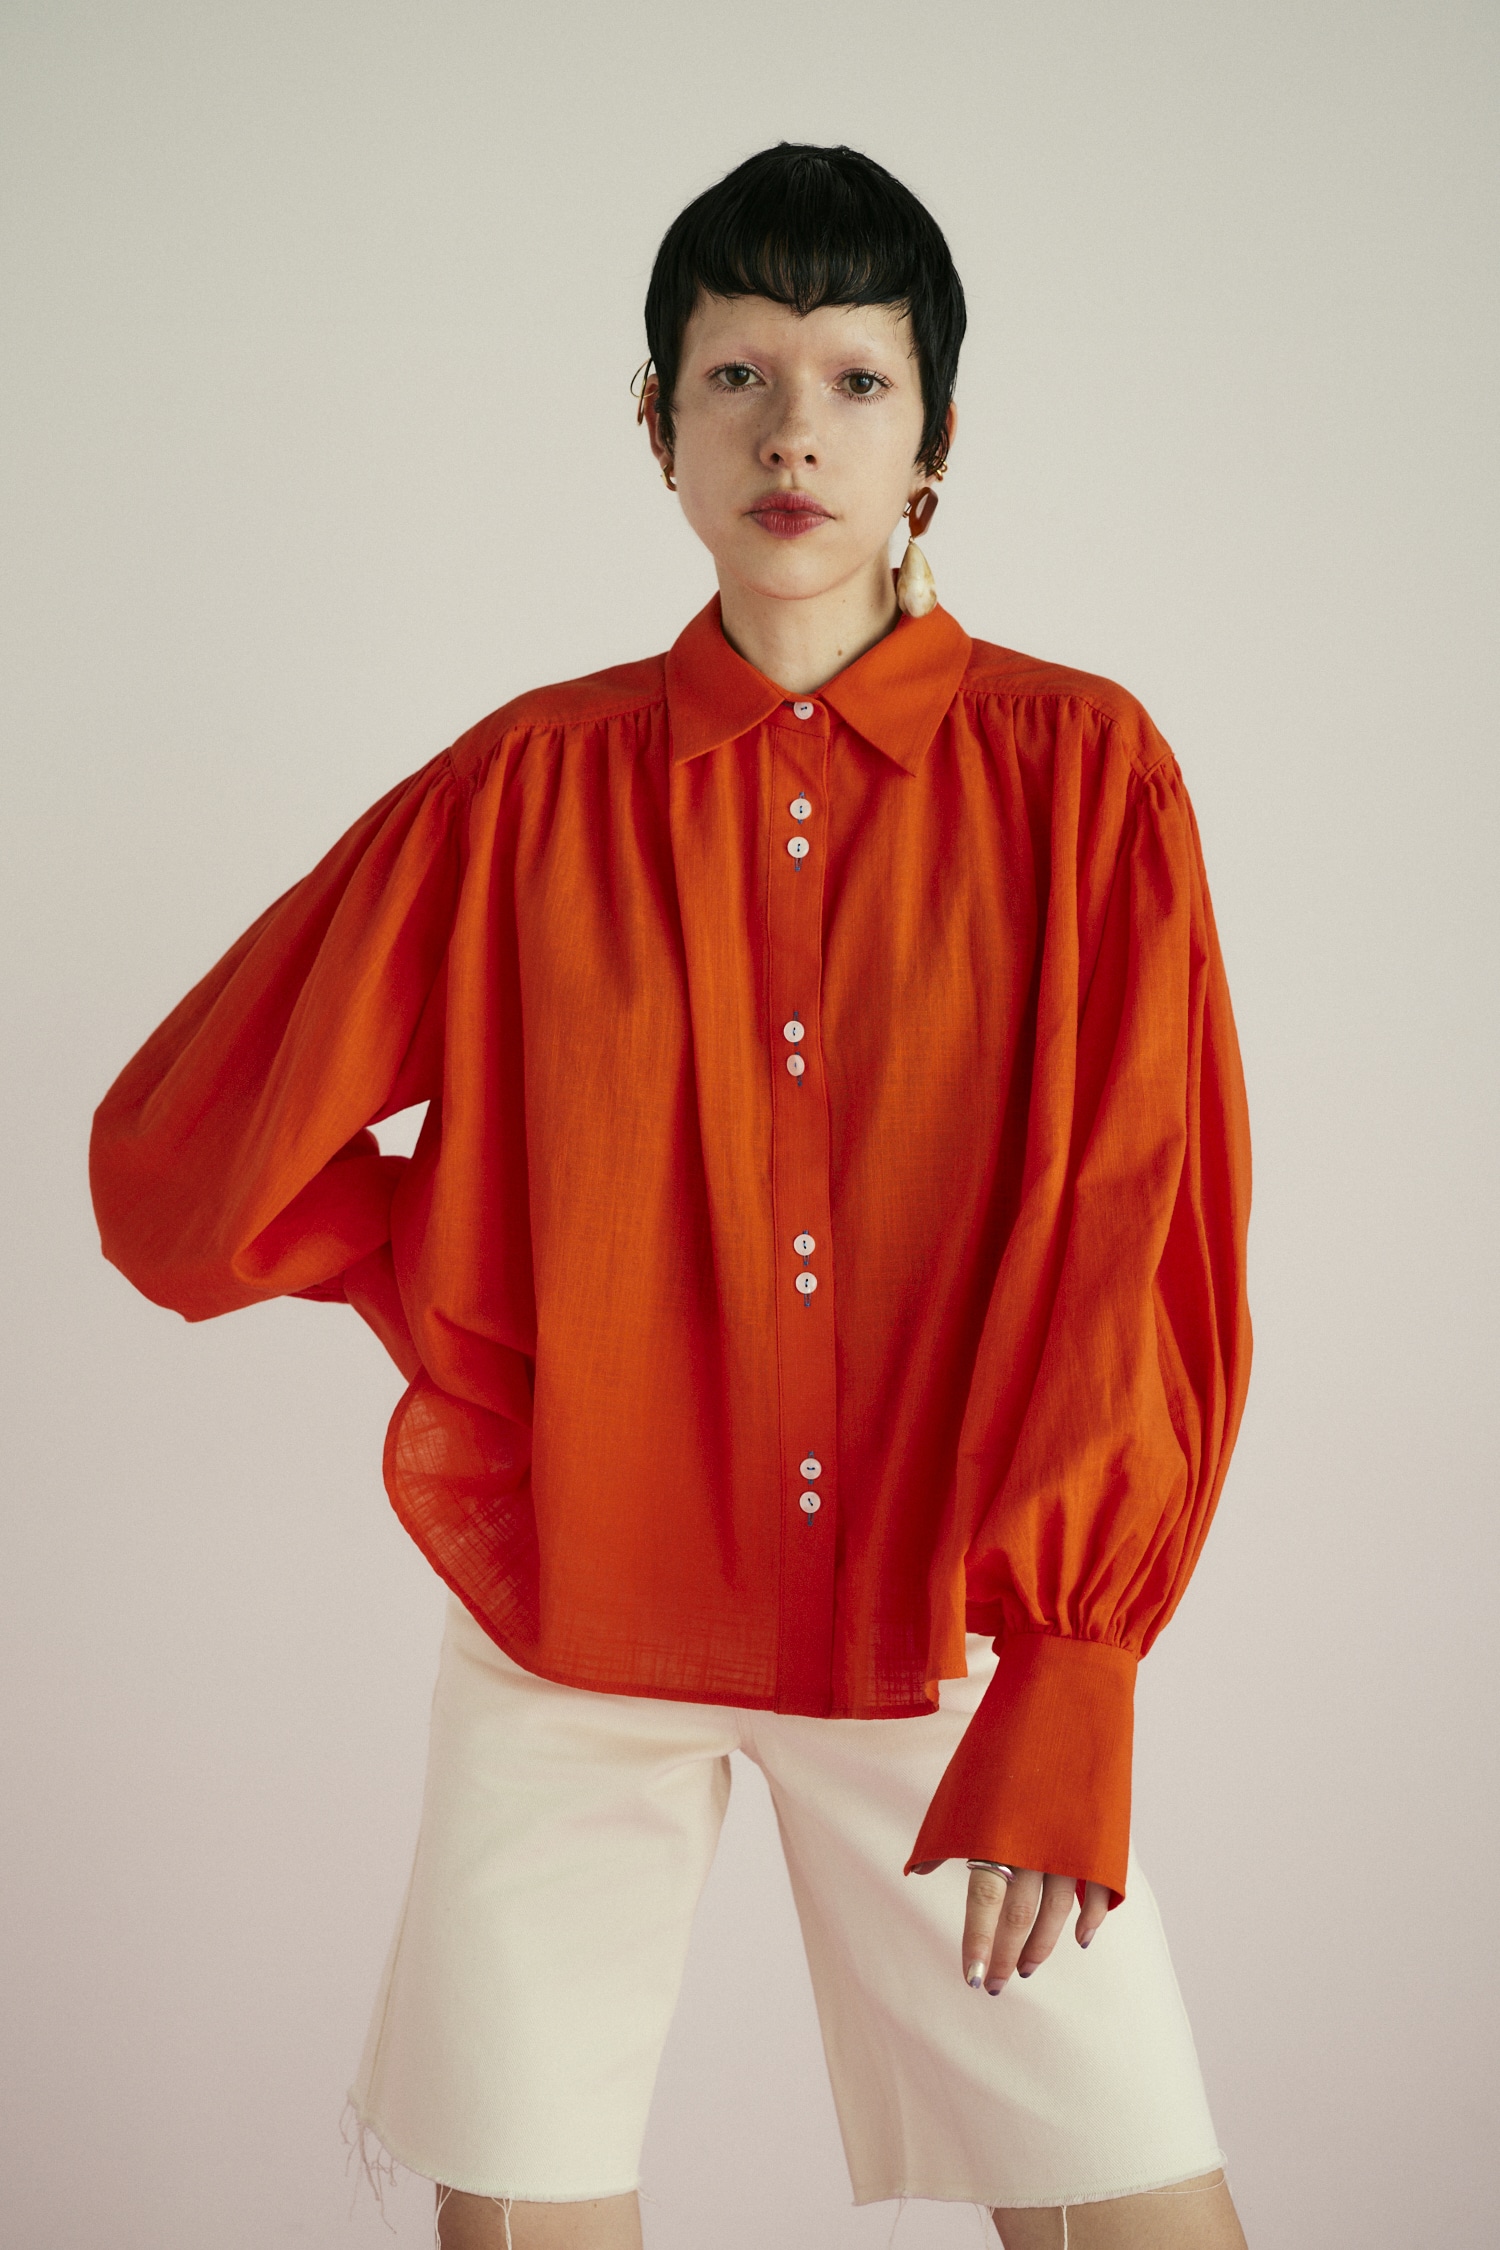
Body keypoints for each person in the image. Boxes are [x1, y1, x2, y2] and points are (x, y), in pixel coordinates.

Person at [90, 144, 1253, 2250]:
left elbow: (1132, 1225)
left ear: (936, 433)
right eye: (735, 377)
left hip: (947, 1641)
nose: (793, 431)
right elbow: (184, 1161)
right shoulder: (522, 789)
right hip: (581, 1627)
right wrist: (479, 1272)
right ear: (657, 425)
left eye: (854, 380)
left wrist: (1079, 1662)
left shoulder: (1082, 774)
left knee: (1135, 2208)